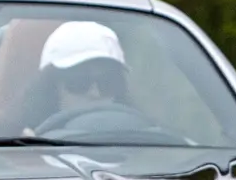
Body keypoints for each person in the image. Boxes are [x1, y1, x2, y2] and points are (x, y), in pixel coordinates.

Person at [26, 21, 165, 140]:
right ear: (52, 87)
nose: (95, 93)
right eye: (79, 81)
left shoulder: (150, 144)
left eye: (107, 82)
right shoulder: (21, 152)